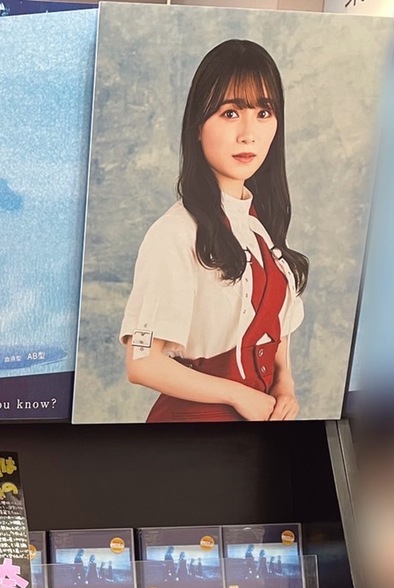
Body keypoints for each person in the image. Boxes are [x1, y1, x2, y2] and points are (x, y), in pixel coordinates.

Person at [121, 38, 308, 422]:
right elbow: (142, 363)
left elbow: (275, 329)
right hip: (189, 433)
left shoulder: (260, 229)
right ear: (197, 125)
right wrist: (237, 395)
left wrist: (284, 383)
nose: (248, 134)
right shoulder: (174, 233)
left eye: (263, 112)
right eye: (230, 113)